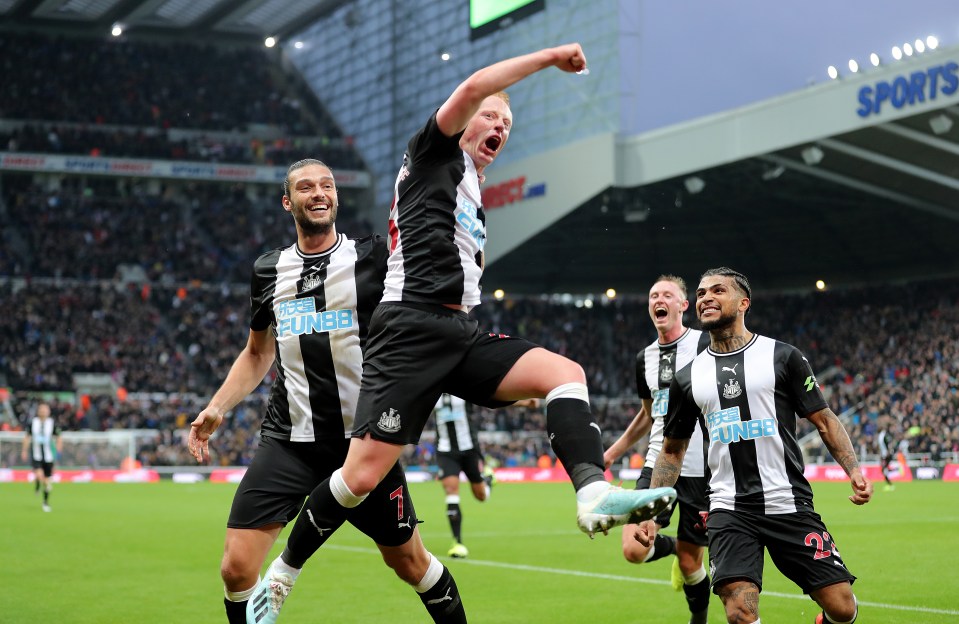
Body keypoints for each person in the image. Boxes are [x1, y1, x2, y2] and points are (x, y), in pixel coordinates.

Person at [251, 43, 676, 621]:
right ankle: (281, 576)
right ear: (462, 119)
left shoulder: (471, 187)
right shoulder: (433, 151)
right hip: (411, 328)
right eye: (491, 116)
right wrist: (551, 58)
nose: (500, 125)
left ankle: (591, 491)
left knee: (565, 375)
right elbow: (476, 84)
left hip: (459, 331)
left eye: (508, 123)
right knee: (358, 477)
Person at [187, 159, 467, 624]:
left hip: (363, 445)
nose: (318, 193)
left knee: (409, 563)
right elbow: (258, 354)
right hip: (289, 443)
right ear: (288, 202)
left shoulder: (373, 257)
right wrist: (218, 406)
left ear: (336, 197)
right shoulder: (267, 270)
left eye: (327, 185)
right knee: (236, 570)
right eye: (305, 187)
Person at [637, 267, 873, 624]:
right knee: (740, 612)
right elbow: (671, 451)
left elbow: (824, 419)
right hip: (728, 509)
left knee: (843, 607)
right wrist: (654, 512)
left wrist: (853, 469)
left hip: (787, 502)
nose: (706, 298)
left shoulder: (782, 356)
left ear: (743, 302)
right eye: (701, 293)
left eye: (718, 291)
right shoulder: (688, 378)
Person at [603, 275, 711, 624]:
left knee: (692, 565)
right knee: (634, 549)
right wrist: (612, 453)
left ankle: (699, 618)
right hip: (656, 464)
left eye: (667, 294)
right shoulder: (644, 359)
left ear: (684, 305)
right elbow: (649, 415)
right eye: (653, 295)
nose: (658, 299)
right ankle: (678, 545)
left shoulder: (704, 345)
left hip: (701, 468)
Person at [433, 393, 539, 559]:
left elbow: (492, 398)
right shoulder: (432, 390)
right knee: (451, 491)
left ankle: (488, 480)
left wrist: (524, 402)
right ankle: (457, 543)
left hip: (469, 450)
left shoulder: (462, 389)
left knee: (481, 496)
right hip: (445, 452)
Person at [20, 402, 61, 512]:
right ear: (38, 411)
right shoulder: (33, 423)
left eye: (45, 409)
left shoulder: (52, 423)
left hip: (48, 456)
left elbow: (59, 437)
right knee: (39, 475)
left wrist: (58, 452)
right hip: (36, 454)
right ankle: (39, 483)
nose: (43, 411)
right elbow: (27, 437)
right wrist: (24, 450)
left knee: (47, 480)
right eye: (41, 409)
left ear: (48, 411)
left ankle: (45, 502)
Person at [877, 420, 897, 491]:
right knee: (883, 469)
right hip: (884, 455)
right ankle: (889, 484)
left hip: (887, 455)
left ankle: (890, 485)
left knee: (883, 469)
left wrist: (888, 452)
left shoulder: (884, 435)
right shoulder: (880, 435)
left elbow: (889, 444)